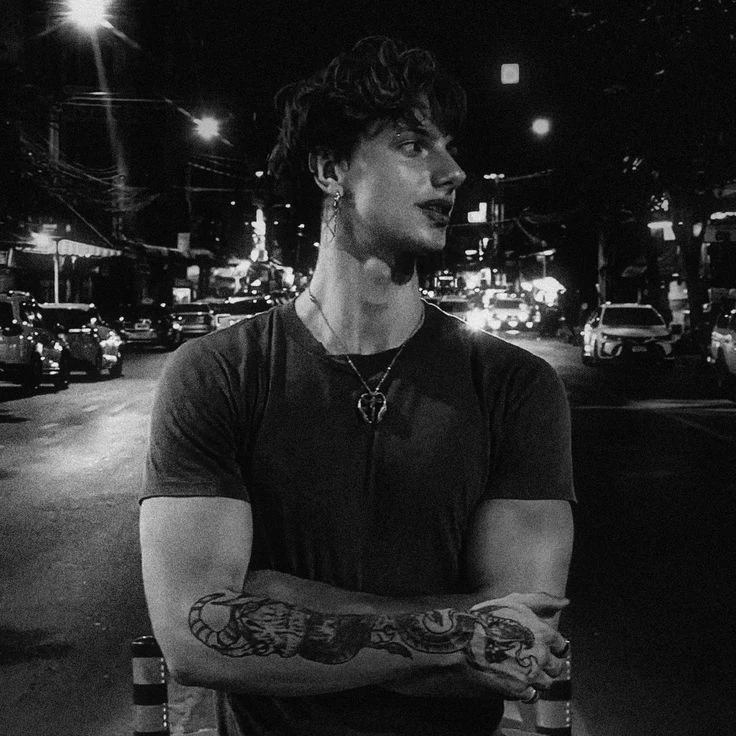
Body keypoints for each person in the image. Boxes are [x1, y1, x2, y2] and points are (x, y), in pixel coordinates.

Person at [139, 36, 575, 736]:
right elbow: (194, 640)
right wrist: (458, 629)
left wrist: (268, 597)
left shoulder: (516, 386)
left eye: (449, 148)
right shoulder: (219, 373)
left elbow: (519, 640)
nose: (453, 172)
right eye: (413, 145)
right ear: (330, 168)